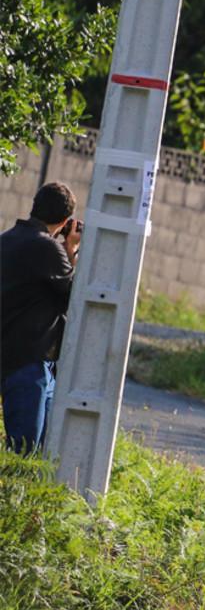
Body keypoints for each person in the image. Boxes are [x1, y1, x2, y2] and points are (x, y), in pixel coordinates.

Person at [1, 182, 81, 454]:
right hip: (29, 363)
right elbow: (75, 297)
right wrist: (70, 248)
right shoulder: (47, 248)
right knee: (28, 453)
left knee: (29, 452)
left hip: (13, 357)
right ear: (65, 220)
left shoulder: (7, 239)